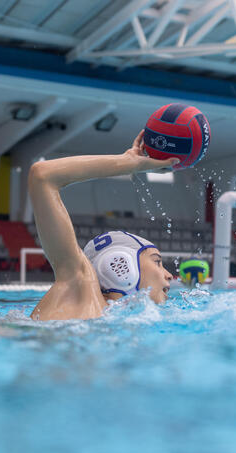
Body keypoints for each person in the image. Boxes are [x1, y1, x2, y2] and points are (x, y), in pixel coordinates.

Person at [29, 131, 178, 321]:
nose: (169, 275)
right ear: (120, 264)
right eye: (157, 262)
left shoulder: (111, 318)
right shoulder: (80, 285)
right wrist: (129, 163)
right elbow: (42, 176)